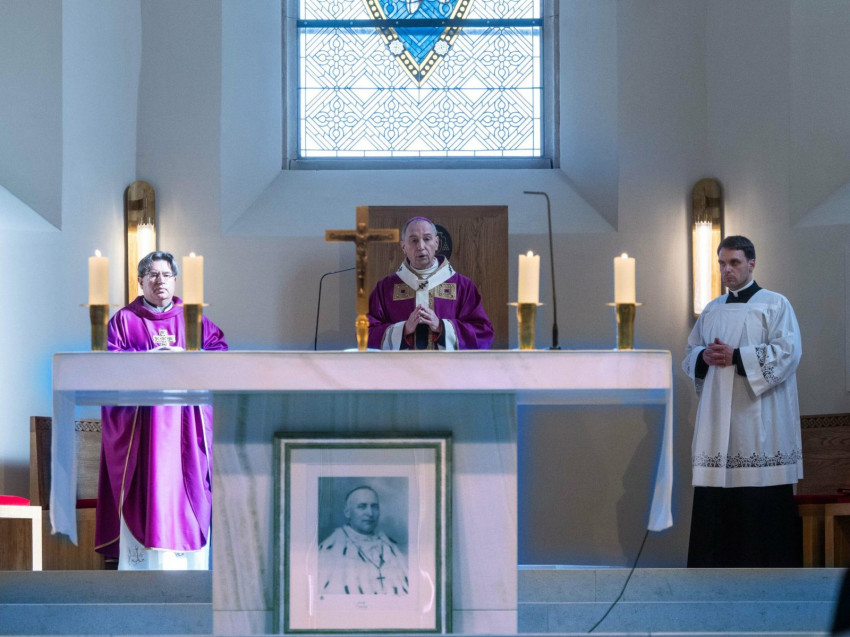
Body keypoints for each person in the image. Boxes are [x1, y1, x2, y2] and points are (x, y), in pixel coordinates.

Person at [95, 251, 228, 570]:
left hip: (186, 427)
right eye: (152, 275)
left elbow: (220, 357)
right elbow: (107, 367)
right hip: (144, 431)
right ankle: (143, 570)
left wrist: (187, 356)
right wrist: (147, 362)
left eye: (166, 275)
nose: (160, 281)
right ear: (140, 281)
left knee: (188, 489)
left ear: (175, 280)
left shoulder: (194, 320)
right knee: (148, 490)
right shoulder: (124, 321)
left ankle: (191, 568)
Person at [682, 235, 803, 567]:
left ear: (751, 263)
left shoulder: (775, 305)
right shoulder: (711, 310)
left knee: (759, 514)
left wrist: (737, 356)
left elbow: (788, 353)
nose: (726, 270)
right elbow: (689, 354)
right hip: (717, 423)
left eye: (734, 262)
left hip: (759, 423)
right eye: (721, 263)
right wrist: (703, 356)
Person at [367, 216, 494, 350]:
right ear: (403, 246)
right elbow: (366, 333)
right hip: (402, 363)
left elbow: (483, 333)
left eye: (427, 239)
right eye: (414, 240)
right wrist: (404, 329)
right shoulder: (385, 288)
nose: (421, 246)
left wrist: (441, 327)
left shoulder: (463, 286)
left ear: (436, 243)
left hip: (447, 363)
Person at [318, 486, 409, 595]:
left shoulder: (393, 550)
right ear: (347, 512)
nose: (370, 513)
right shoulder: (329, 550)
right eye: (362, 507)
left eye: (374, 507)